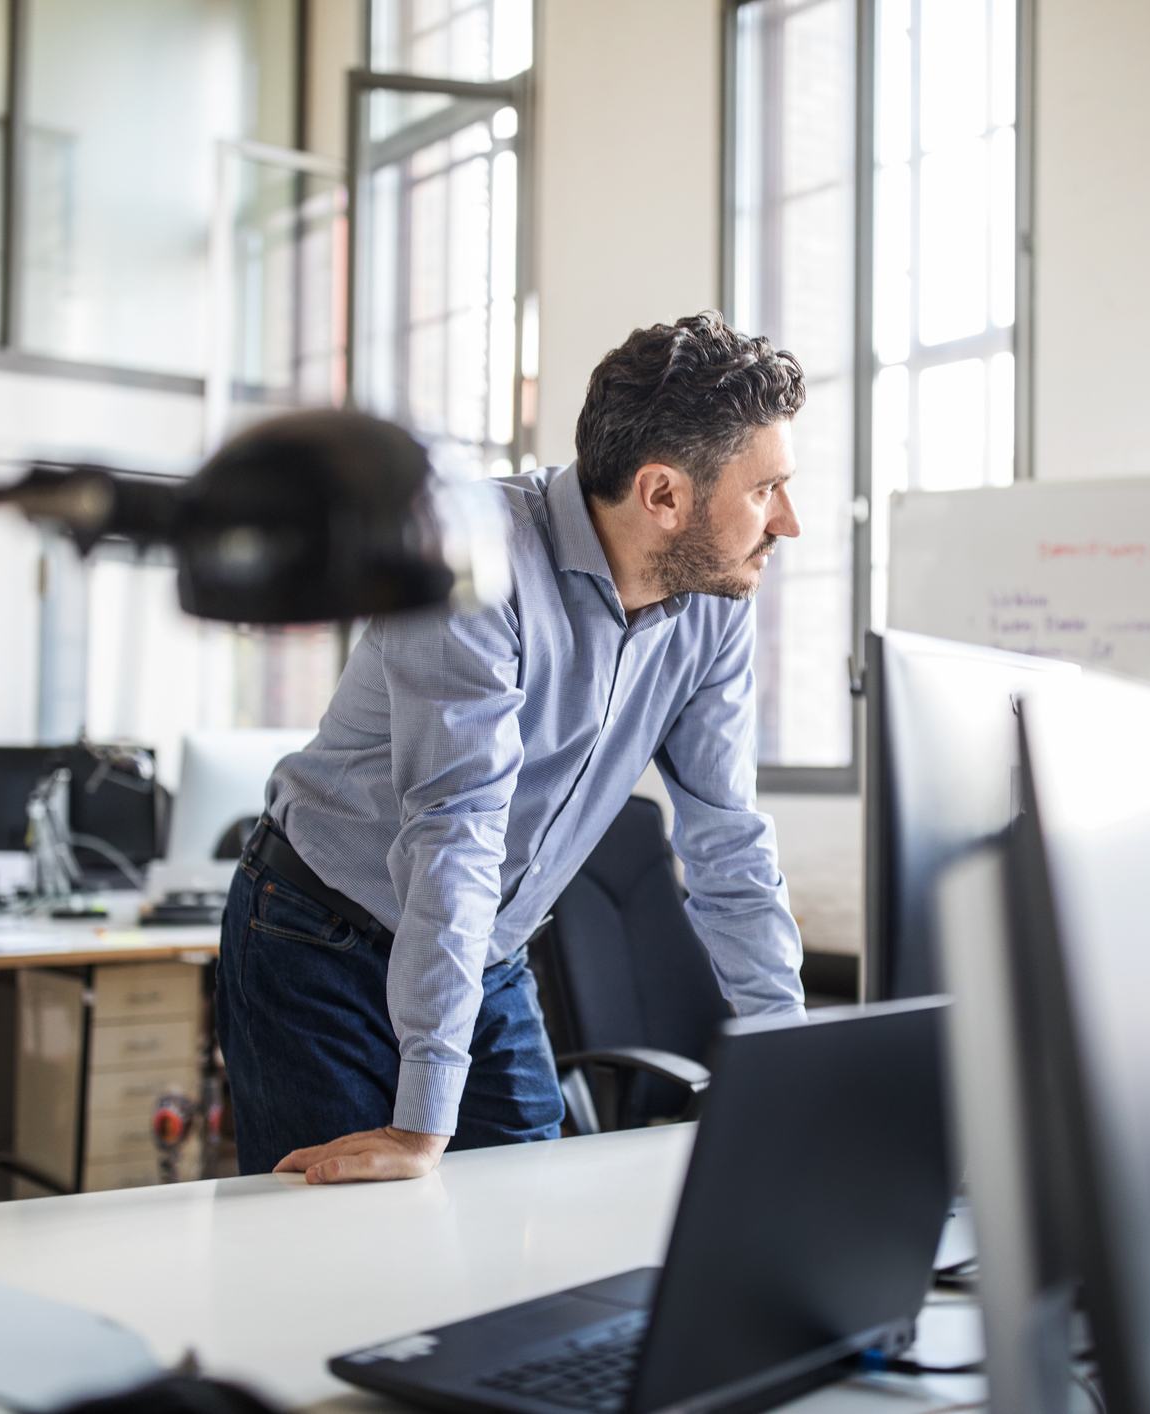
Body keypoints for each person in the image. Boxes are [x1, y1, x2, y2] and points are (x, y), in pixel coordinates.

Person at [216, 311, 809, 1183]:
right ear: (662, 495)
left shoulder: (716, 604)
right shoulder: (472, 560)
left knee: (528, 1232)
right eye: (766, 490)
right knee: (343, 1253)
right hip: (319, 938)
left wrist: (787, 1066)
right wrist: (422, 1125)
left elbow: (726, 840)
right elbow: (456, 830)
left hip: (483, 950)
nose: (787, 523)